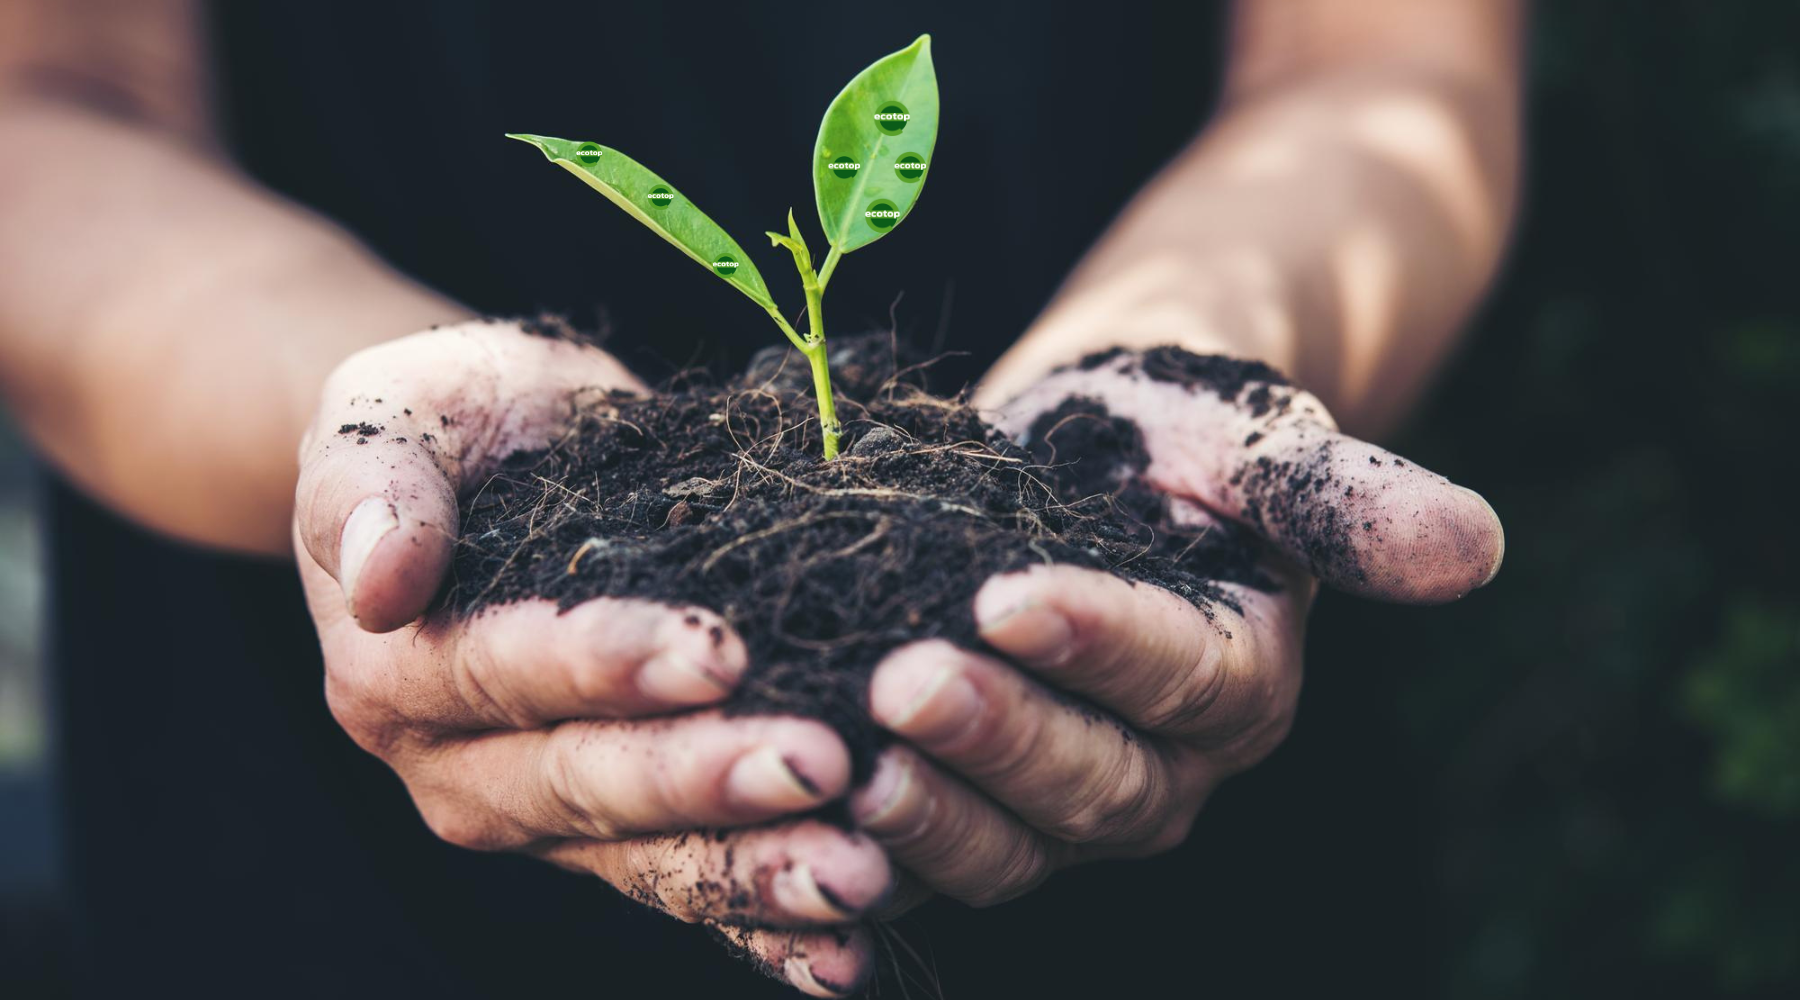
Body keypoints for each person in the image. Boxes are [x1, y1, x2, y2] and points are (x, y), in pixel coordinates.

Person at [0, 1, 1519, 995]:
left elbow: (1381, 68)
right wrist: (372, 419)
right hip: (321, 864)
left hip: (1177, 864)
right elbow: (49, 110)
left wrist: (1207, 348)